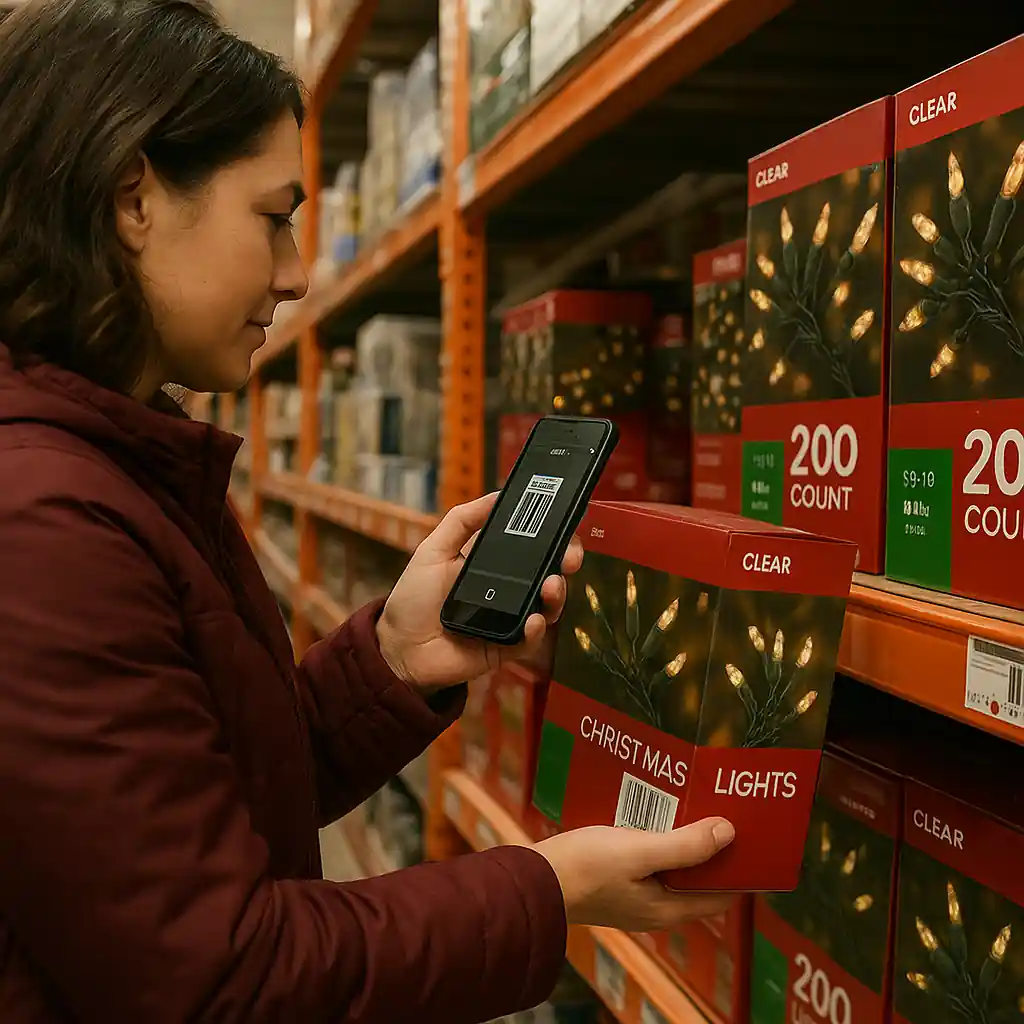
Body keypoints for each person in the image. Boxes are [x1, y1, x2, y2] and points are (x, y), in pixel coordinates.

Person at [0, 2, 737, 1021]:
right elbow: (221, 980)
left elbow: (205, 799)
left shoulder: (124, 466)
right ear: (134, 197)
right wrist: (546, 890)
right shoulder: (42, 526)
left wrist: (393, 659)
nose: (299, 272)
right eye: (272, 216)